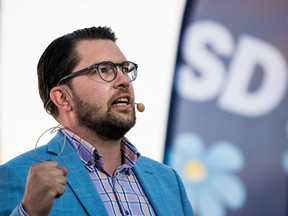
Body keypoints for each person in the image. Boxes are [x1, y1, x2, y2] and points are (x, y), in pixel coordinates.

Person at [0, 26, 193, 216]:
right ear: (63, 98)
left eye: (125, 69)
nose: (124, 80)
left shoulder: (169, 181)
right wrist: (28, 213)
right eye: (103, 70)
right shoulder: (15, 176)